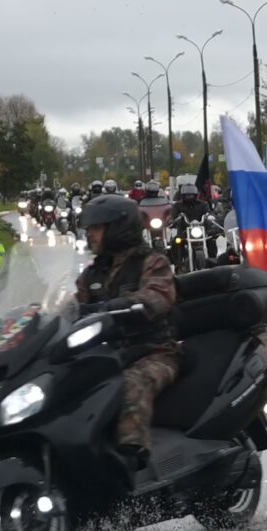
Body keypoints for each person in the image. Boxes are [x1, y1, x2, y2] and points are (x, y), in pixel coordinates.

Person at [76, 194, 179, 470]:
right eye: (88, 228)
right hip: (108, 354)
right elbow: (72, 306)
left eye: (95, 227)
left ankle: (132, 458)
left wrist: (121, 305)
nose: (89, 233)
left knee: (132, 383)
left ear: (118, 229)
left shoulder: (152, 262)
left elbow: (158, 296)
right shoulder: (92, 274)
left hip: (154, 351)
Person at [171, 184, 219, 257]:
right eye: (187, 195)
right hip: (184, 231)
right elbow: (172, 216)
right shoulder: (177, 205)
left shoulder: (203, 204)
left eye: (191, 195)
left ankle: (213, 260)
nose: (189, 197)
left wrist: (210, 216)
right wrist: (172, 220)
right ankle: (179, 264)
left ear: (195, 195)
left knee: (211, 240)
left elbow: (208, 212)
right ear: (183, 196)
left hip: (201, 231)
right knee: (176, 242)